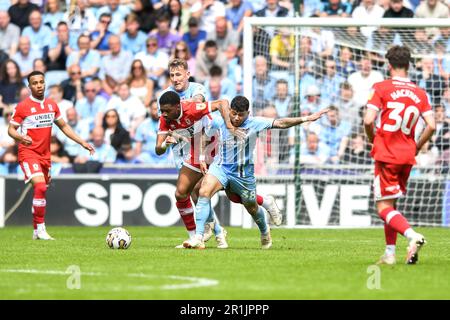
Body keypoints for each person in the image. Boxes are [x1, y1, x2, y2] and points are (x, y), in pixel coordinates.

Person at [158, 59, 281, 248]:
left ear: (187, 75)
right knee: (200, 193)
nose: (175, 79)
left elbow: (200, 102)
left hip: (207, 142)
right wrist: (168, 140)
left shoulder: (196, 89)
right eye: (172, 75)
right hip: (185, 148)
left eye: (178, 74)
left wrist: (228, 125)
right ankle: (216, 231)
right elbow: (163, 131)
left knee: (205, 190)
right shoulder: (167, 99)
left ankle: (207, 233)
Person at [185, 96, 328, 249]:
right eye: (233, 113)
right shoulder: (220, 120)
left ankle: (265, 231)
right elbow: (204, 134)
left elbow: (280, 123)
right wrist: (201, 155)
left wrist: (306, 118)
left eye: (241, 114)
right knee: (204, 191)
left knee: (251, 207)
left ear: (248, 113)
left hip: (243, 175)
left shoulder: (255, 123)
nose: (236, 118)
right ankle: (198, 237)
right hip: (221, 168)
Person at [363, 45, 436, 265]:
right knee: (391, 204)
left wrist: (373, 138)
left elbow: (368, 120)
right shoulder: (419, 92)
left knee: (383, 208)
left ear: (389, 65)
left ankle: (412, 235)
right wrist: (415, 146)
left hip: (386, 154)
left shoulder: (381, 87)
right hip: (407, 155)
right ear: (409, 65)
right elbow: (432, 125)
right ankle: (389, 253)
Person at [8, 70, 95, 240]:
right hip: (28, 153)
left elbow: (64, 126)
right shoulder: (23, 107)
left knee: (42, 190)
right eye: (35, 83)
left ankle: (36, 231)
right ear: (29, 86)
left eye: (41, 82)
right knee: (40, 187)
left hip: (45, 156)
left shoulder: (51, 105)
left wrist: (82, 142)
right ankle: (41, 228)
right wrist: (20, 137)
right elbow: (11, 130)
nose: (39, 85)